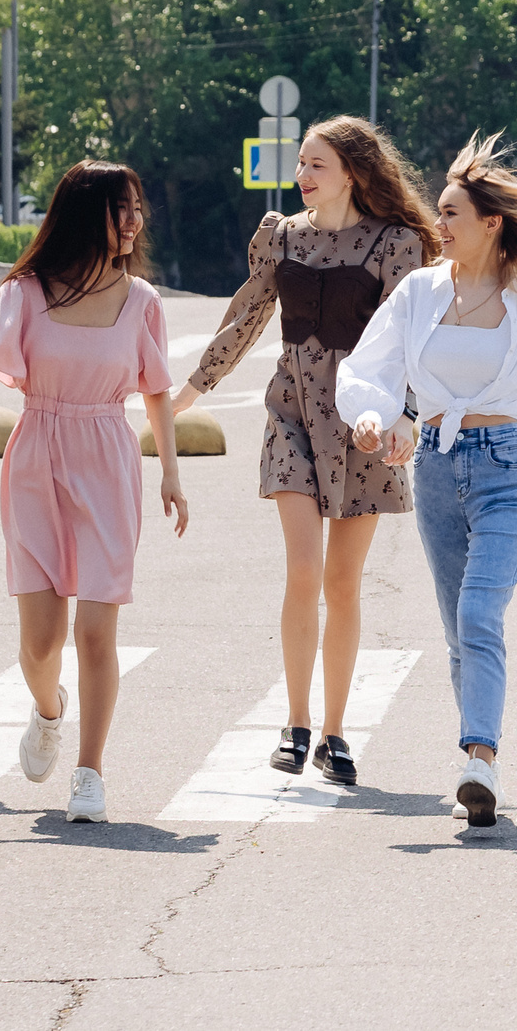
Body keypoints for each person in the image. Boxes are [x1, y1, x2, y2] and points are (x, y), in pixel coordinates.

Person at [340, 132, 517, 828]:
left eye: (451, 214)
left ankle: (480, 756)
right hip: (436, 470)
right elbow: (366, 367)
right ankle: (482, 761)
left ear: (491, 222)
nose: (438, 225)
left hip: (505, 471)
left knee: (478, 613)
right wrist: (374, 415)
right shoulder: (418, 292)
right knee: (458, 631)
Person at [0, 161, 185, 824]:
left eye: (137, 208)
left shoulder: (142, 301)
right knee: (40, 642)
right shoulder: (27, 292)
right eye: (121, 208)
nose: (133, 221)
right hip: (37, 455)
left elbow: (155, 389)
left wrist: (171, 472)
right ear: (85, 214)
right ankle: (48, 708)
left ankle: (90, 772)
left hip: (108, 458)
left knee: (94, 631)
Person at [175, 118, 436, 786]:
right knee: (303, 571)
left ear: (352, 172)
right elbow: (246, 316)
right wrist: (187, 393)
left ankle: (334, 732)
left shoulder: (396, 243)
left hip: (363, 424)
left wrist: (405, 415)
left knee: (342, 583)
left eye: (316, 164)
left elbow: (413, 342)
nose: (302, 176)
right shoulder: (282, 235)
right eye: (300, 164)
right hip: (291, 416)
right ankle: (294, 723)